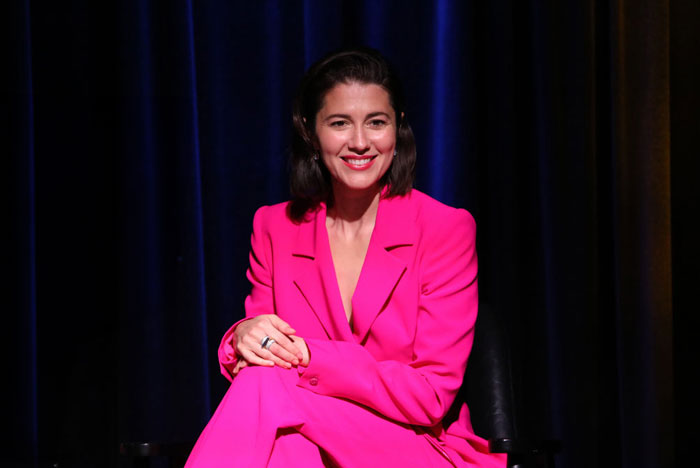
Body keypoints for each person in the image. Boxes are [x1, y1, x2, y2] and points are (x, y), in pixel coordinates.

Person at [185, 48, 506, 468]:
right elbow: (258, 355)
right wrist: (244, 335)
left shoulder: (445, 229)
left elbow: (429, 397)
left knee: (268, 389)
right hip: (307, 434)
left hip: (413, 445)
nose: (359, 142)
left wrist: (309, 357)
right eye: (339, 123)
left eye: (376, 122)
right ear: (310, 131)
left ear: (399, 128)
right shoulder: (274, 227)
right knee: (283, 436)